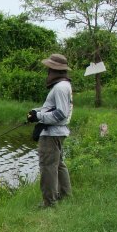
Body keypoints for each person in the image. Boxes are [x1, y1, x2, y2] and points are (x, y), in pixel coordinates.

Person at [27, 53, 73, 208]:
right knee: (58, 164)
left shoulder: (60, 87)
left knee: (48, 167)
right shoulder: (64, 85)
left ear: (54, 70)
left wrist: (38, 116)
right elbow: (52, 108)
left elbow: (60, 114)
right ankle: (65, 195)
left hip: (52, 133)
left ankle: (49, 203)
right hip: (58, 133)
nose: (47, 72)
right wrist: (36, 112)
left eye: (49, 68)